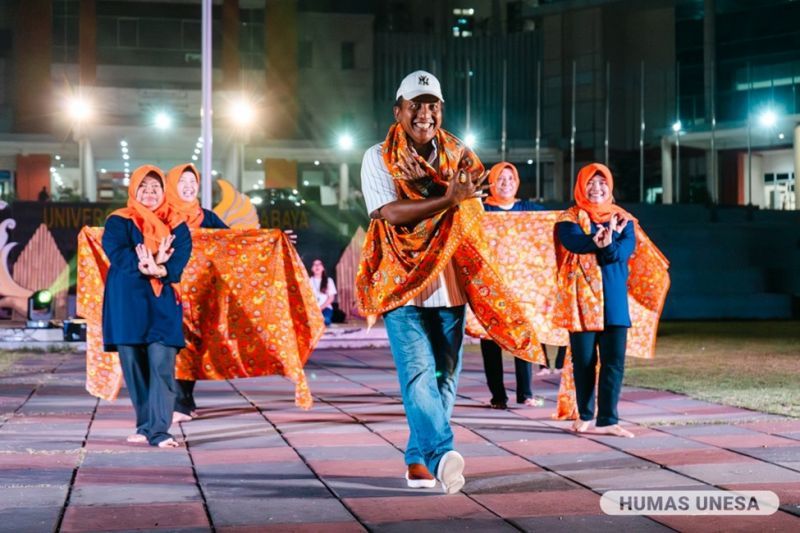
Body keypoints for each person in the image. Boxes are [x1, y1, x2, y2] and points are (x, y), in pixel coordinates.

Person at [357, 71, 543, 494]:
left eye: (433, 105)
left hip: (449, 287)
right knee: (419, 374)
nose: (425, 114)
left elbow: (471, 221)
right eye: (416, 105)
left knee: (445, 377)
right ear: (398, 110)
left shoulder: (460, 156)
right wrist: (447, 199)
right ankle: (442, 454)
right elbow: (390, 212)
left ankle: (416, 460)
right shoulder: (378, 157)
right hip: (401, 284)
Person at [101, 165, 192, 448]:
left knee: (162, 363)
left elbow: (181, 256)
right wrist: (145, 263)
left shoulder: (177, 223)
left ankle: (161, 431)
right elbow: (116, 252)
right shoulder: (119, 220)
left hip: (161, 300)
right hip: (127, 302)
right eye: (144, 187)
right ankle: (145, 424)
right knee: (135, 368)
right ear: (134, 189)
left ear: (164, 192)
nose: (150, 193)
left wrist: (162, 270)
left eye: (156, 188)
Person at [554, 162, 636, 438]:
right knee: (584, 362)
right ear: (581, 185)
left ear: (610, 186)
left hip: (614, 302)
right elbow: (572, 242)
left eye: (602, 182)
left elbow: (620, 254)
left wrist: (607, 241)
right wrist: (601, 238)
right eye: (591, 182)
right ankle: (585, 415)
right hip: (582, 302)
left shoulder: (625, 219)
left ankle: (609, 419)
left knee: (614, 362)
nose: (597, 188)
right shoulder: (570, 217)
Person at [480, 162, 567, 408]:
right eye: (500, 178)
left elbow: (549, 233)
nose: (505, 183)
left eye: (510, 178)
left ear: (517, 182)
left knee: (523, 339)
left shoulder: (531, 210)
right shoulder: (481, 210)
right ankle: (498, 396)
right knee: (490, 341)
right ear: (492, 182)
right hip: (491, 287)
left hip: (523, 290)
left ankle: (525, 393)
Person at [162, 163, 228, 424]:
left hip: (202, 296)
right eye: (183, 182)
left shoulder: (207, 218)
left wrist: (273, 239)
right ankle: (179, 402)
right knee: (178, 344)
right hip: (171, 291)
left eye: (193, 182)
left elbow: (238, 242)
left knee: (194, 347)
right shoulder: (163, 217)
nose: (189, 186)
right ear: (172, 185)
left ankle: (186, 400)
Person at [309, 259, 337, 326]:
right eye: (314, 265)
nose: (317, 266)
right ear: (312, 268)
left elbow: (331, 298)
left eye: (319, 264)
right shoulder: (308, 281)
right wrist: (313, 308)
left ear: (323, 268)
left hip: (326, 308)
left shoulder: (329, 280)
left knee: (326, 320)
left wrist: (321, 307)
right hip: (312, 309)